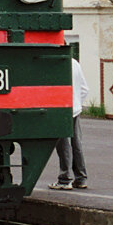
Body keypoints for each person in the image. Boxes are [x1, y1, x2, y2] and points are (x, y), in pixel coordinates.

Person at [49, 57, 90, 190]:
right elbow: (85, 89)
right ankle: (81, 178)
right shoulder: (75, 63)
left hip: (61, 108)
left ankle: (64, 179)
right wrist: (77, 102)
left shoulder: (55, 63)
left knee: (63, 145)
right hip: (75, 108)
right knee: (76, 144)